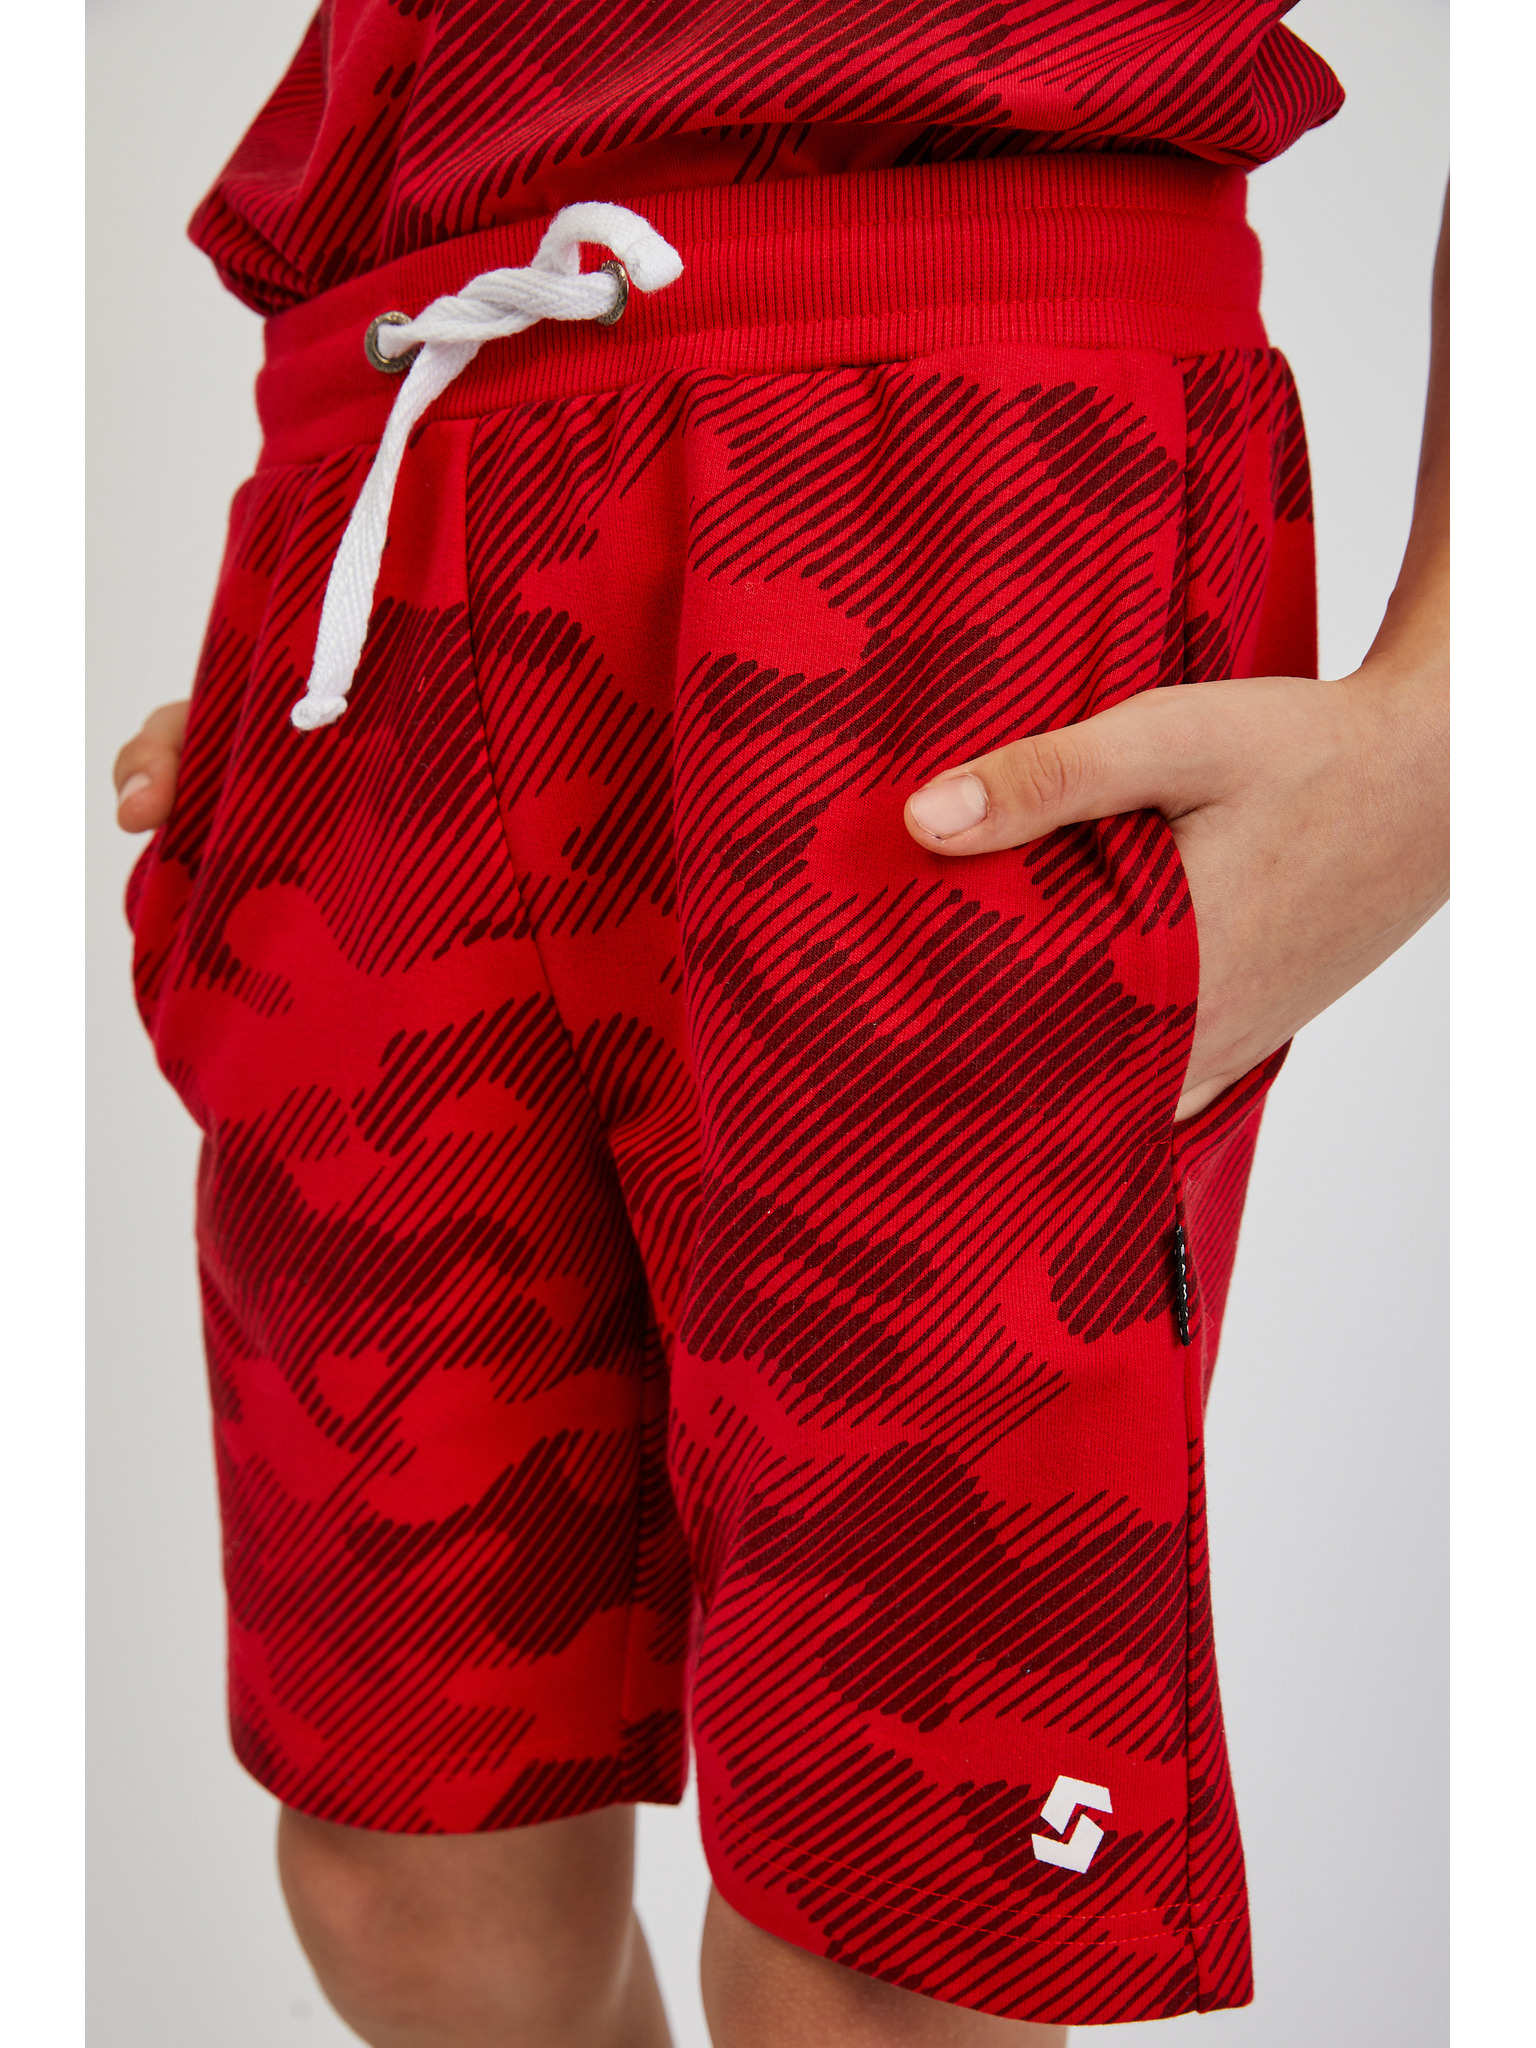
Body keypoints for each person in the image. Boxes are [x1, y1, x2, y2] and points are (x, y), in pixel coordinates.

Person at [111, 6, 1448, 2044]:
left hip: (957, 488)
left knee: (880, 1949)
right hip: (389, 473)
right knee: (404, 1870)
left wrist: (1457, 717)